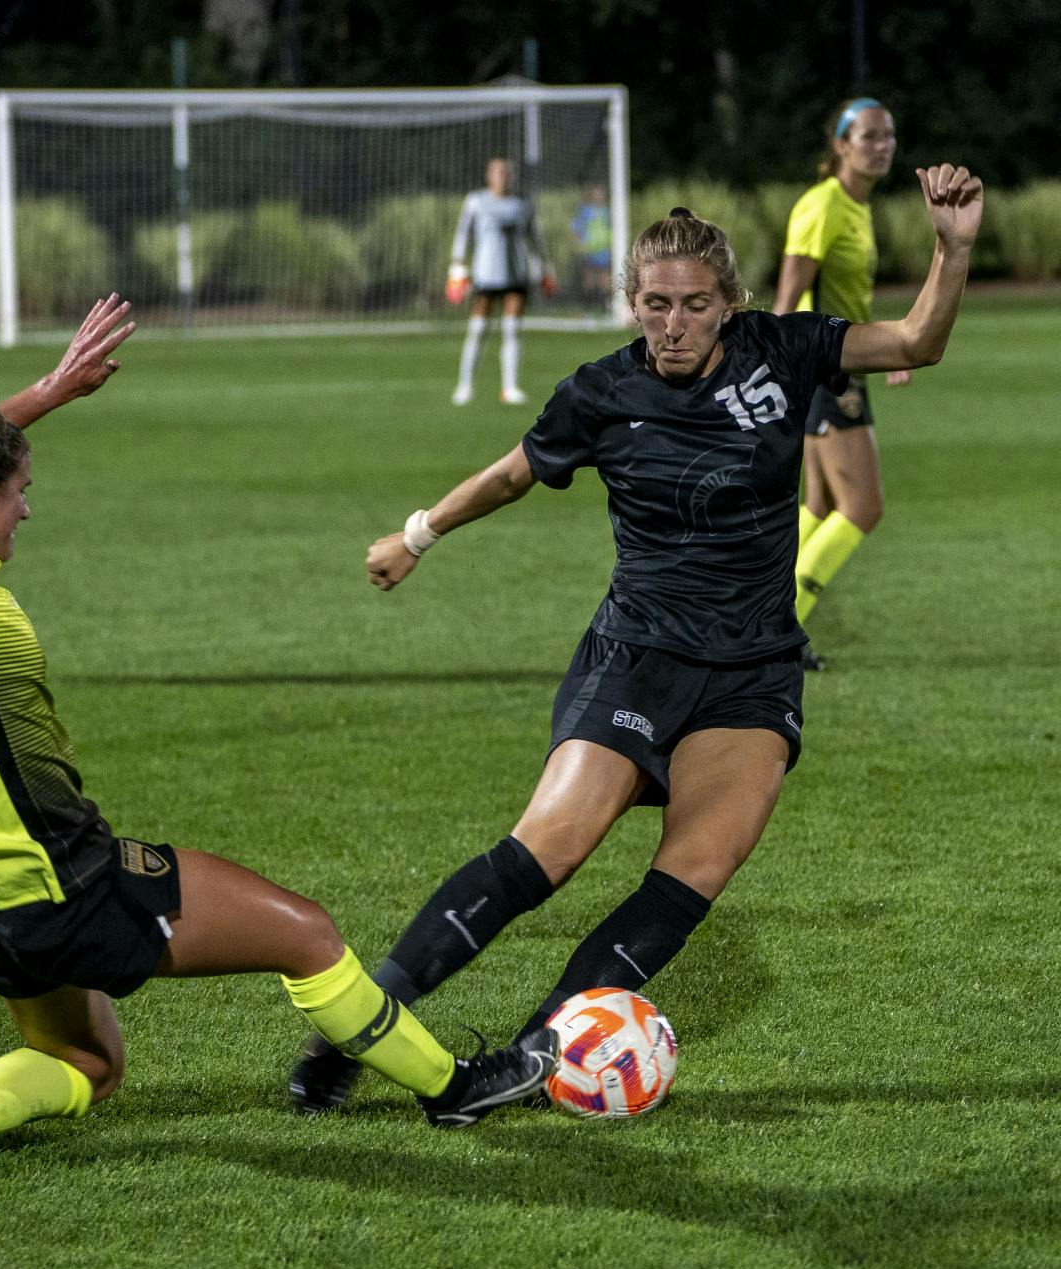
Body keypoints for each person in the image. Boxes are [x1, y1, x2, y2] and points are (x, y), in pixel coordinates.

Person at [0, 280, 554, 1189]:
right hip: (57, 877)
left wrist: (48, 394)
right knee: (307, 934)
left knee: (92, 1066)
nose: (27, 509)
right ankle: (456, 1087)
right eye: (19, 490)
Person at [292, 167, 983, 1114]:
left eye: (694, 305)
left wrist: (953, 247)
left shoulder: (784, 350)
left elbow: (916, 341)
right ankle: (361, 1025)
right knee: (551, 847)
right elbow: (510, 475)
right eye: (655, 304)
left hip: (751, 671)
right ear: (632, 302)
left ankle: (531, 1058)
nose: (672, 324)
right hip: (637, 653)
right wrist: (416, 536)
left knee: (695, 868)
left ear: (728, 306)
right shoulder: (602, 392)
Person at [775, 99, 903, 669]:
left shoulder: (855, 204)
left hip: (843, 364)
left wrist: (885, 351)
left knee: (823, 504)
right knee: (864, 507)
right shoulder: (823, 204)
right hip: (824, 369)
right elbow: (788, 298)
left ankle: (763, 618)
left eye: (889, 136)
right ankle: (781, 629)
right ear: (841, 145)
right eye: (870, 136)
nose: (883, 146)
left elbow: (848, 300)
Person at [447, 157, 555, 407]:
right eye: (498, 171)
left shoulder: (523, 205)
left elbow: (534, 239)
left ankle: (510, 387)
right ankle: (465, 385)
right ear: (488, 175)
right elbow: (463, 235)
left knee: (512, 329)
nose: (503, 176)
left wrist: (544, 270)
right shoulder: (476, 202)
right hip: (486, 273)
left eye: (507, 172)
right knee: (478, 330)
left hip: (516, 274)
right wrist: (457, 267)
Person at [571, 182, 614, 300]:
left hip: (605, 248)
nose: (599, 195)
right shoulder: (585, 210)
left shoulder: (609, 210)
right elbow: (576, 227)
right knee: (590, 276)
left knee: (605, 276)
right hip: (590, 248)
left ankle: (606, 302)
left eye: (601, 193)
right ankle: (589, 302)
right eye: (596, 193)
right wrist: (580, 243)